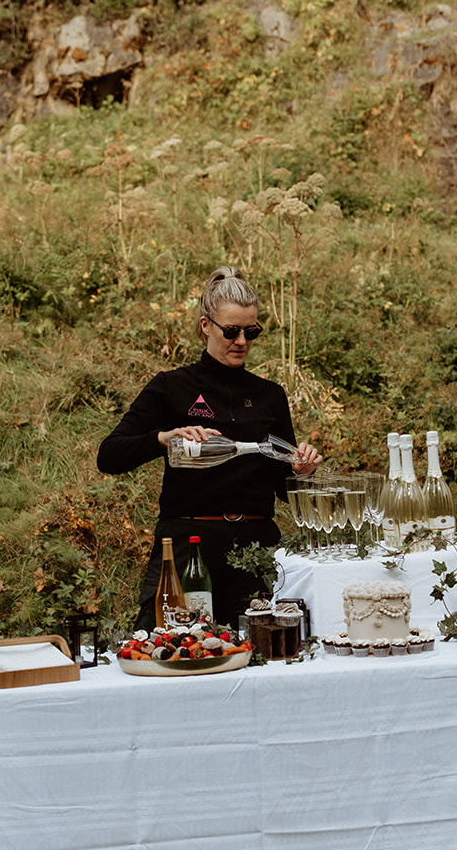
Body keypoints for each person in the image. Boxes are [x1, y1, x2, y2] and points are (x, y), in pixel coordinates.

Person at [97, 266, 322, 631]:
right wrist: (163, 438)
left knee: (262, 657)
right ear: (206, 326)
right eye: (231, 331)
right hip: (188, 546)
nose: (242, 342)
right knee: (165, 650)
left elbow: (283, 488)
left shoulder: (269, 395)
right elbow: (109, 454)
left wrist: (301, 472)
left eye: (252, 332)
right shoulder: (172, 387)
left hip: (254, 549)